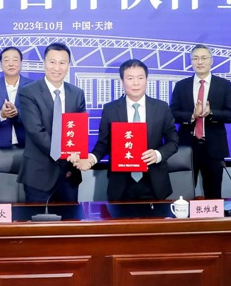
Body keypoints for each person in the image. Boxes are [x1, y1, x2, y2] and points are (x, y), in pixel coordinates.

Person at [71, 59, 179, 201]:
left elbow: (173, 141)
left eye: (140, 78)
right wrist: (91, 159)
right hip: (121, 183)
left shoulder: (161, 107)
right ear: (122, 81)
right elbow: (103, 144)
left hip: (154, 182)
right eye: (130, 78)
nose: (136, 83)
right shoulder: (110, 109)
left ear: (146, 80)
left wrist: (158, 154)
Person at [17, 42, 86, 203]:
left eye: (62, 63)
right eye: (52, 62)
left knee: (70, 218)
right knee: (37, 219)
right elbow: (36, 131)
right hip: (39, 175)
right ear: (44, 63)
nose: (57, 68)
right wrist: (66, 153)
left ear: (68, 65)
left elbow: (79, 131)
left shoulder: (77, 94)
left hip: (69, 174)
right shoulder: (28, 92)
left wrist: (77, 153)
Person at [170, 44, 231, 199]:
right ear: (191, 61)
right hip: (187, 147)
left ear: (211, 61)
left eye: (204, 58)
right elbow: (172, 114)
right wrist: (191, 116)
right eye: (195, 58)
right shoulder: (181, 85)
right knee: (183, 196)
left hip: (214, 148)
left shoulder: (223, 85)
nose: (199, 62)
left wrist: (211, 113)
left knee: (213, 195)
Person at [0, 46, 33, 148]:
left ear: (21, 63)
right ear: (1, 64)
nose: (11, 64)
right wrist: (1, 115)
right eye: (6, 60)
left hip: (28, 146)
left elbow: (37, 117)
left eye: (15, 60)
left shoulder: (33, 86)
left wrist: (17, 113)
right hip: (0, 147)